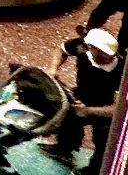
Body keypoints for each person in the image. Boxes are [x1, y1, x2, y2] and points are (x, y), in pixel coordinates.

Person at [47, 28, 123, 170]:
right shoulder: (82, 46)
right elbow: (61, 50)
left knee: (104, 144)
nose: (108, 58)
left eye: (109, 55)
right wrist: (53, 68)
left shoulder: (121, 71)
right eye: (102, 53)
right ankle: (64, 150)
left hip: (105, 108)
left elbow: (119, 109)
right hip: (82, 95)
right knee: (68, 122)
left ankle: (94, 170)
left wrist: (88, 111)